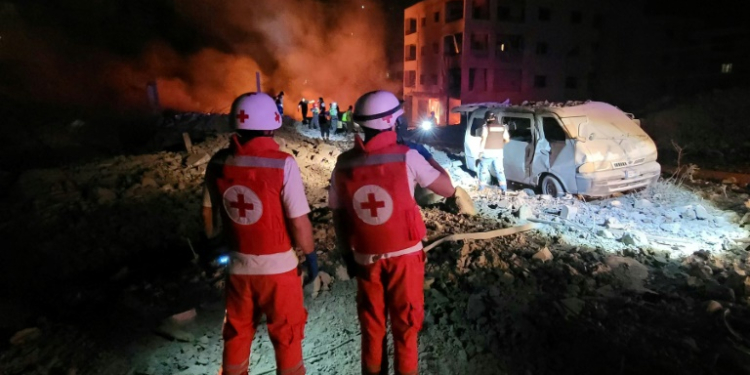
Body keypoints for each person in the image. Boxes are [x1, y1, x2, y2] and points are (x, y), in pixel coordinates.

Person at [329, 90, 471, 375]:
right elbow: (447, 188)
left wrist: (347, 255)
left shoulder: (343, 163)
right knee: (405, 330)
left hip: (365, 259)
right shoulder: (408, 157)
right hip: (405, 260)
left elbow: (339, 216)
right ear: (391, 120)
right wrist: (426, 157)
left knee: (372, 329)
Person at [202, 92, 317, 375]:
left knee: (237, 333)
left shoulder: (217, 162)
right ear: (272, 123)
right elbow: (299, 222)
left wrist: (212, 242)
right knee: (287, 334)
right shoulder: (283, 163)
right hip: (278, 273)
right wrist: (311, 256)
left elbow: (207, 212)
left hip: (238, 268)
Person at [477, 110, 509, 193]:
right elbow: (507, 140)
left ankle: (481, 189)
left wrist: (480, 151)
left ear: (487, 119)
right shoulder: (503, 127)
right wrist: (499, 144)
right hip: (498, 153)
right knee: (500, 171)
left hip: (487, 152)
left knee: (483, 170)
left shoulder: (486, 127)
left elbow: (483, 139)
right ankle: (504, 190)